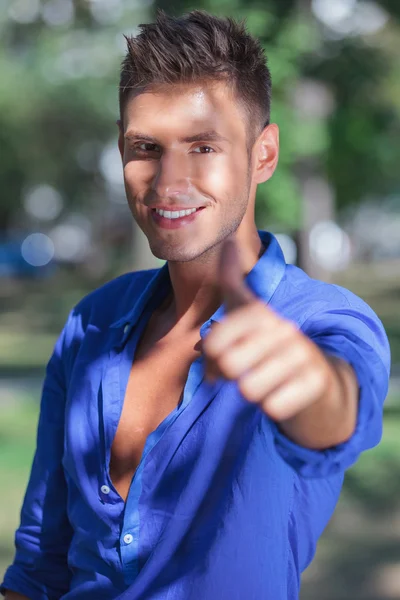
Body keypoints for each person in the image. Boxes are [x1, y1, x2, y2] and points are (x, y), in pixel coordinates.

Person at [2, 10, 390, 600]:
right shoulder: (91, 322)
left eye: (203, 145)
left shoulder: (320, 321)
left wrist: (308, 382)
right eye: (146, 148)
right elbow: (37, 564)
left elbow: (340, 410)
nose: (168, 182)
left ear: (263, 155)